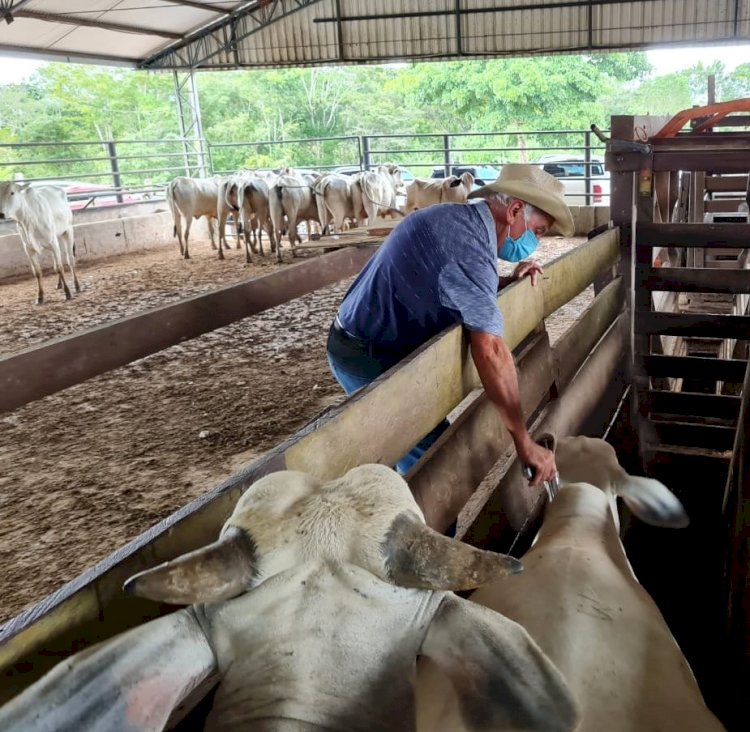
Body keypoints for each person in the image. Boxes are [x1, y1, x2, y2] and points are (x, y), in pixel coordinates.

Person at [326, 164, 574, 486]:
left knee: (422, 450)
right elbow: (492, 351)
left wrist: (501, 282)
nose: (534, 243)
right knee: (435, 466)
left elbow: (451, 282)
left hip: (381, 336)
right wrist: (523, 441)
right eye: (538, 231)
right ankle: (427, 529)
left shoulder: (457, 221)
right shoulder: (468, 249)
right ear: (514, 211)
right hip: (364, 351)